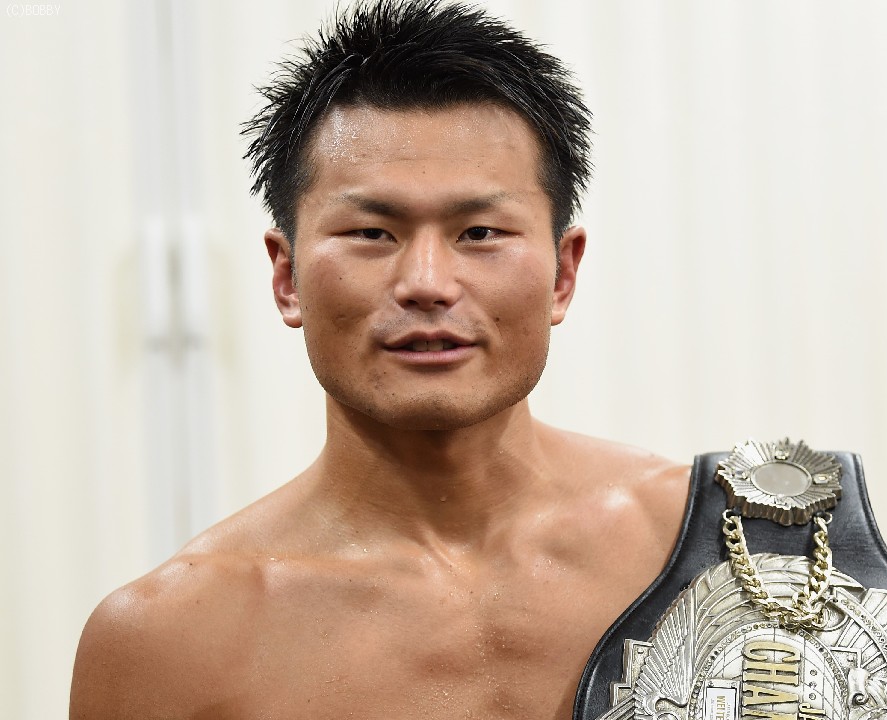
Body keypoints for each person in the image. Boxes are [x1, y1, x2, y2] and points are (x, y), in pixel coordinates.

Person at [69, 1, 688, 718]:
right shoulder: (169, 643)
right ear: (286, 277)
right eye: (371, 233)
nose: (427, 283)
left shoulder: (717, 546)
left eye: (479, 232)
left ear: (562, 274)